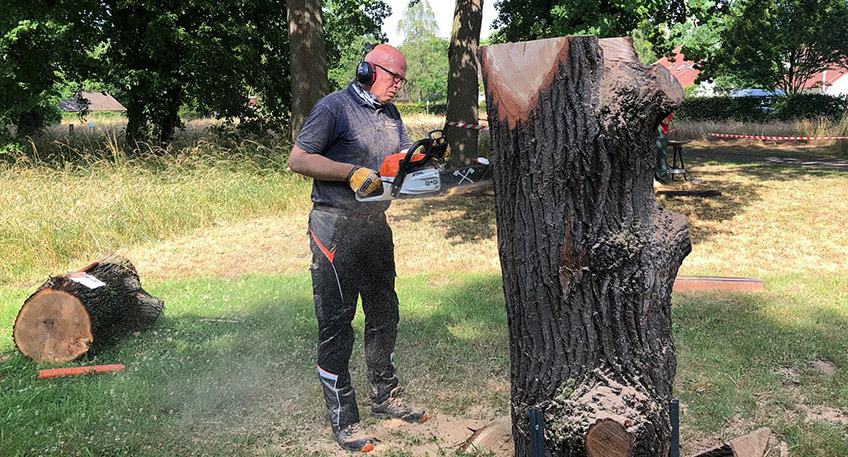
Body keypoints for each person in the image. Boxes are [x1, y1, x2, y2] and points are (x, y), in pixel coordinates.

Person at [288, 44, 427, 453]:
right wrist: (350, 173)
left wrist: (420, 161)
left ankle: (385, 394)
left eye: (403, 80)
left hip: (374, 226)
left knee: (384, 311)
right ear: (368, 70)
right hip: (334, 227)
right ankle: (343, 418)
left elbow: (398, 160)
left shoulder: (390, 115)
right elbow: (299, 159)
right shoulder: (335, 107)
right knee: (337, 322)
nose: (399, 87)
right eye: (394, 78)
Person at [655, 112, 674, 185]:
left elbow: (665, 121)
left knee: (661, 156)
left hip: (661, 134)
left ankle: (662, 178)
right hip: (652, 133)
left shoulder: (668, 111)